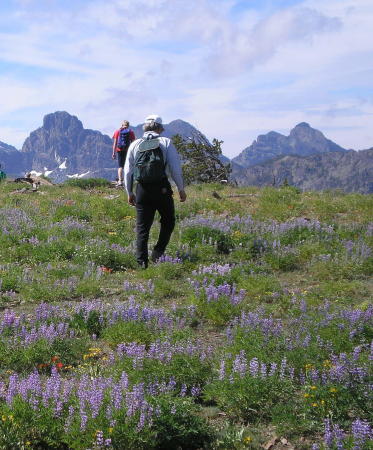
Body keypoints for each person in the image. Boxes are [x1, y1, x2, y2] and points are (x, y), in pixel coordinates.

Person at [124, 114, 186, 268]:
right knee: (168, 221)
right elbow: (175, 169)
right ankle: (158, 251)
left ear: (144, 127)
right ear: (160, 128)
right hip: (162, 188)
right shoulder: (165, 142)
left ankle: (141, 263)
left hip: (142, 189)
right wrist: (181, 188)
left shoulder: (135, 144)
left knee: (142, 227)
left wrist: (129, 192)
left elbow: (128, 171)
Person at [112, 120, 136, 186]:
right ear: (128, 125)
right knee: (127, 166)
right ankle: (127, 180)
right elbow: (133, 143)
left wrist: (113, 153)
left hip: (119, 150)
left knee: (120, 166)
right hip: (127, 150)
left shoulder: (117, 131)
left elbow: (115, 143)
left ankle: (120, 181)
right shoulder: (131, 132)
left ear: (121, 125)